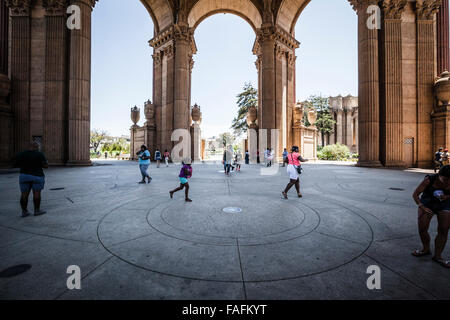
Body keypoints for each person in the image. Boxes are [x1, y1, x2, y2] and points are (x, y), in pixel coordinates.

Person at [412, 165, 450, 268]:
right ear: (439, 175)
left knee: (444, 230)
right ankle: (425, 249)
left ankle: (438, 256)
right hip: (427, 203)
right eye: (446, 179)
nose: (448, 182)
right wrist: (421, 206)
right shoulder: (429, 180)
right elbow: (415, 194)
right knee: (422, 228)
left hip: (445, 204)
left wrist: (447, 196)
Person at [14, 142, 48, 217]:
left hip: (24, 175)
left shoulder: (22, 154)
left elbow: (15, 163)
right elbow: (46, 166)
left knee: (24, 194)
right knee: (37, 194)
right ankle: (37, 210)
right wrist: (42, 164)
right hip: (37, 176)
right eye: (39, 147)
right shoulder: (40, 154)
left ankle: (24, 211)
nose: (39, 148)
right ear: (36, 147)